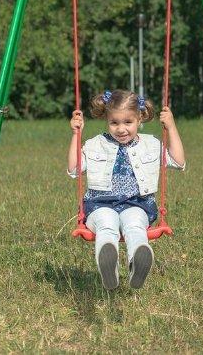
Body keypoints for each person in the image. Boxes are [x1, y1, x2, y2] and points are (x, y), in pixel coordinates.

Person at [67, 89, 185, 290]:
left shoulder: (150, 144)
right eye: (114, 122)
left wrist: (171, 127)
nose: (121, 129)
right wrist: (75, 135)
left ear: (139, 119)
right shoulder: (96, 144)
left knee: (135, 223)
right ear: (107, 120)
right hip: (99, 206)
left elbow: (178, 161)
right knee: (106, 222)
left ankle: (138, 260)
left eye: (128, 122)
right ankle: (109, 266)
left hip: (137, 204)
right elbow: (74, 169)